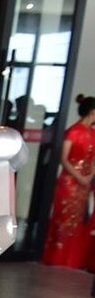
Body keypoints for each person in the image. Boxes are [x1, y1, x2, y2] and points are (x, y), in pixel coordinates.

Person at [41, 94, 95, 269]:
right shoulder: (73, 132)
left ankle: (73, 260)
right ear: (92, 112)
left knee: (79, 221)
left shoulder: (93, 133)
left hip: (84, 183)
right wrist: (79, 177)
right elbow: (63, 159)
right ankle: (58, 258)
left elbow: (93, 159)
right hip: (69, 183)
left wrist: (90, 175)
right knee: (63, 219)